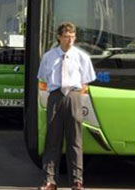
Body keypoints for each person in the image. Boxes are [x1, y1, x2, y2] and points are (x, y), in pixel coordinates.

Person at [37, 22, 96, 190]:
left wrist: (76, 96)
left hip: (74, 95)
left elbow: (86, 81)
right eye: (66, 36)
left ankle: (77, 181)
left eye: (72, 36)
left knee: (75, 140)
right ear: (59, 37)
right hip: (55, 96)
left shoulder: (82, 57)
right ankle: (49, 181)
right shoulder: (49, 56)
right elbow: (43, 78)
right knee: (52, 140)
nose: (69, 40)